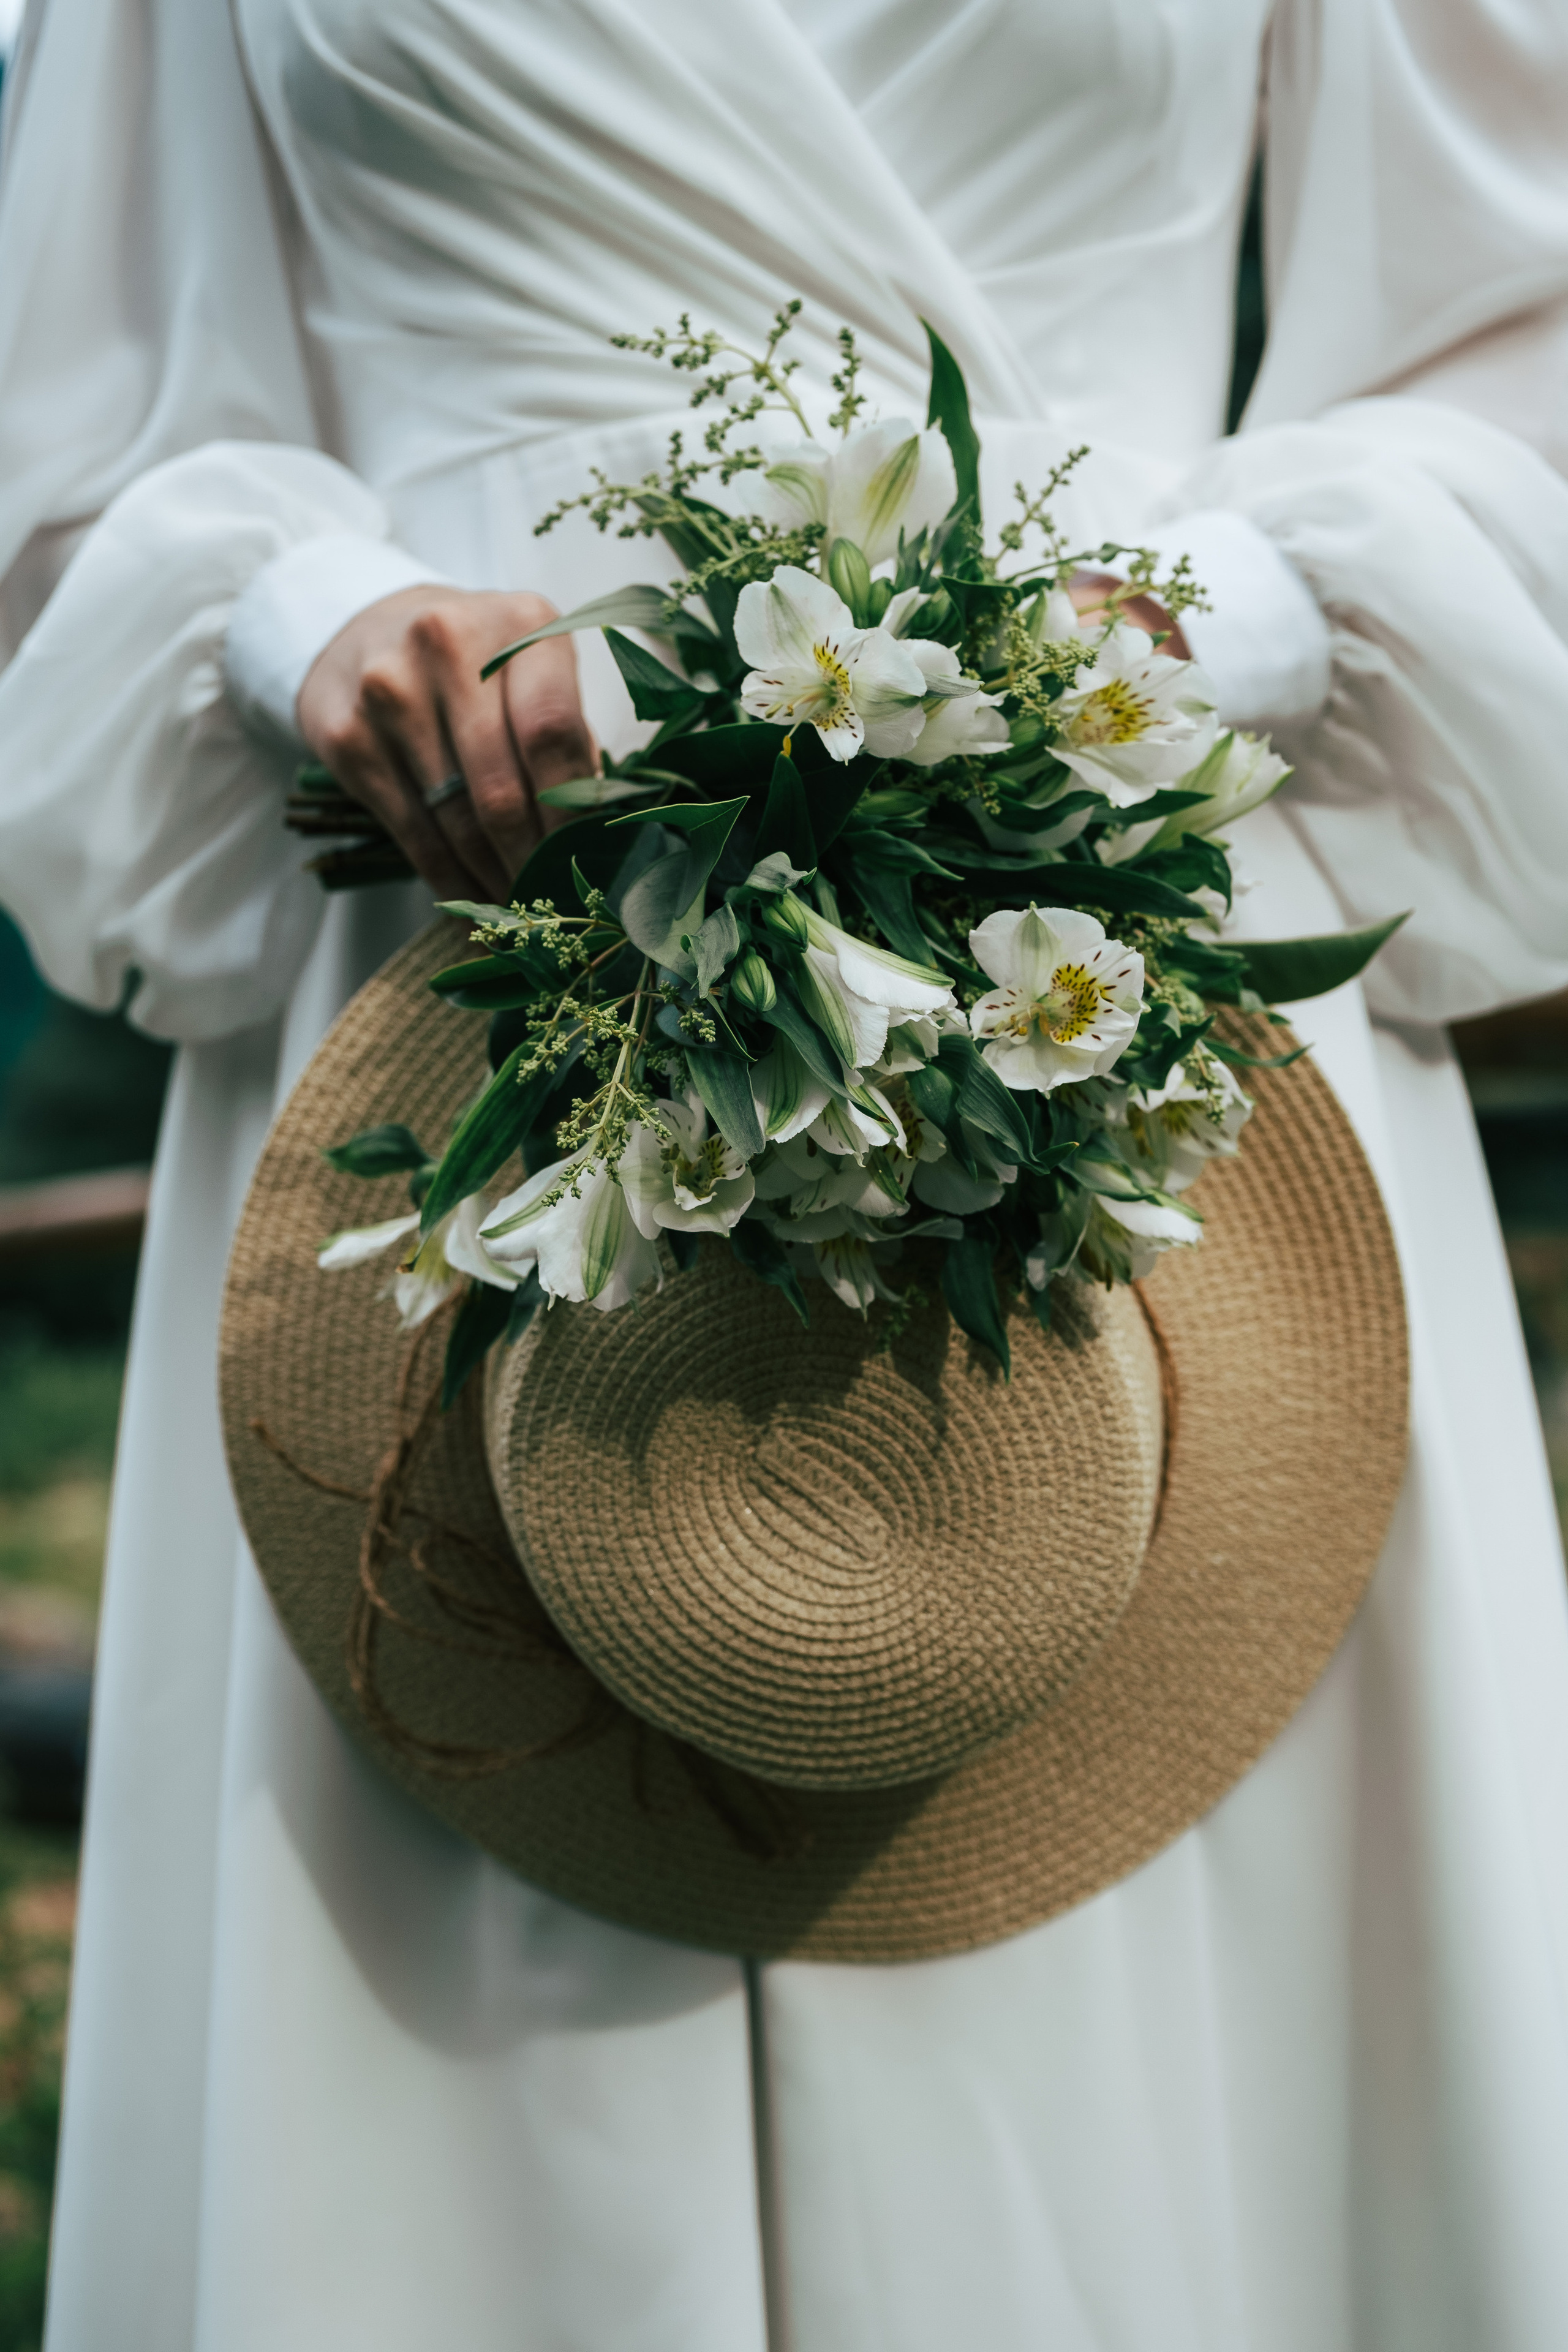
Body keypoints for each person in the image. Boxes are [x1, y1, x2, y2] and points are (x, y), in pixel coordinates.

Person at [2, 2, 1568, 2345]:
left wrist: (1205, 621)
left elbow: (1520, 355)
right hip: (467, 955)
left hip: (1116, 921)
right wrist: (291, 613)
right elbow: (72, 443)